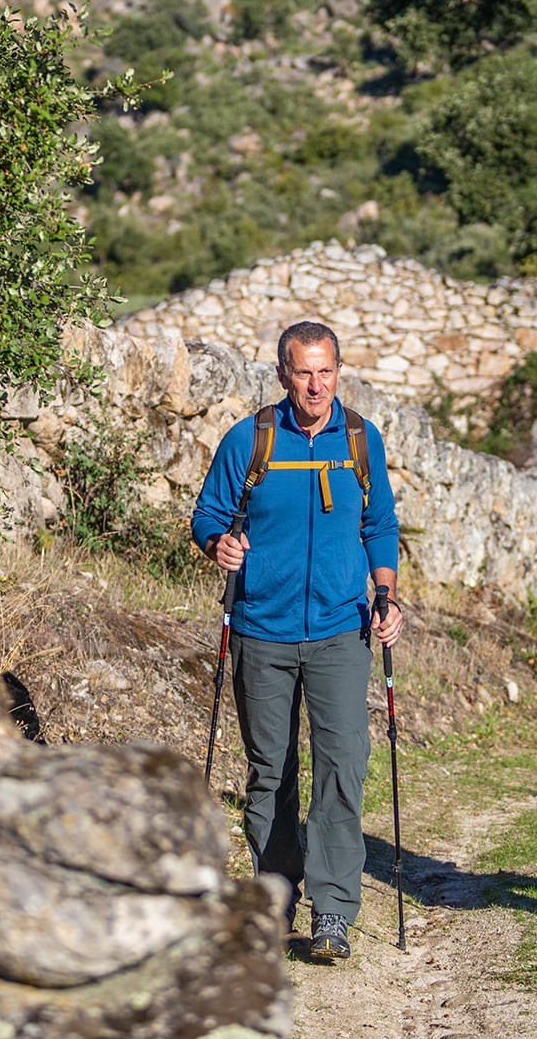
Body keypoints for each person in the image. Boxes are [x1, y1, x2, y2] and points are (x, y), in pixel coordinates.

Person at [193, 319, 404, 963]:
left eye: (326, 371)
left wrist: (386, 595)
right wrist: (219, 544)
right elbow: (207, 515)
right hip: (261, 627)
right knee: (271, 771)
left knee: (342, 767)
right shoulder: (251, 439)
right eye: (303, 372)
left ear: (340, 372)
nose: (316, 385)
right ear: (282, 374)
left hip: (342, 629)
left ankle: (334, 911)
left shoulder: (361, 441)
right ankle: (276, 896)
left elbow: (380, 526)